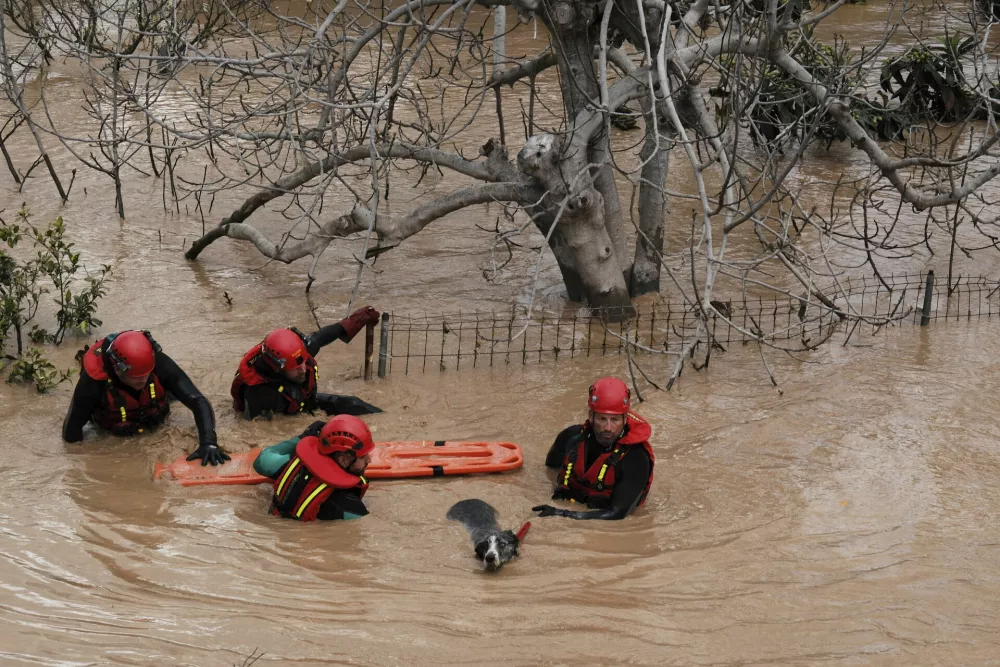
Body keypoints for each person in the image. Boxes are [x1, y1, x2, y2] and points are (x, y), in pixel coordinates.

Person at [63, 330, 230, 466]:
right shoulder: (93, 382)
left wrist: (208, 443)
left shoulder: (157, 362)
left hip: (154, 416)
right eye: (136, 377)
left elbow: (198, 400)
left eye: (146, 374)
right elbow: (71, 433)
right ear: (117, 369)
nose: (143, 380)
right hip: (114, 430)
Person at [532, 377, 654, 520]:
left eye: (615, 420)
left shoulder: (636, 458)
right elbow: (550, 470)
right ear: (591, 416)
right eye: (602, 419)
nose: (608, 428)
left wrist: (561, 513)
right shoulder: (571, 437)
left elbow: (618, 514)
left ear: (625, 419)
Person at [231, 306, 383, 420]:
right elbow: (255, 430)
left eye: (304, 363)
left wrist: (358, 319)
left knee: (351, 404)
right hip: (283, 411)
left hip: (304, 401)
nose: (303, 370)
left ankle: (387, 419)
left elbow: (322, 337)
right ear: (277, 368)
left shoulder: (298, 353)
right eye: (296, 369)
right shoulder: (258, 394)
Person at [254, 415, 374, 521]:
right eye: (363, 457)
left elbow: (261, 460)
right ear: (343, 460)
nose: (369, 460)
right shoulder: (350, 506)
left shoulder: (293, 463)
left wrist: (301, 438)